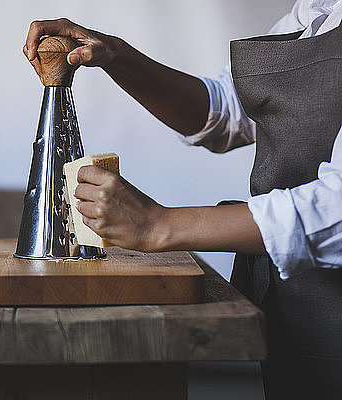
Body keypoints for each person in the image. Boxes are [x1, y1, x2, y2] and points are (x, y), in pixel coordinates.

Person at [24, 1, 342, 399]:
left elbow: (336, 209)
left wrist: (158, 225)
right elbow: (224, 113)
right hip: (294, 307)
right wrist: (114, 55)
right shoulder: (319, 8)